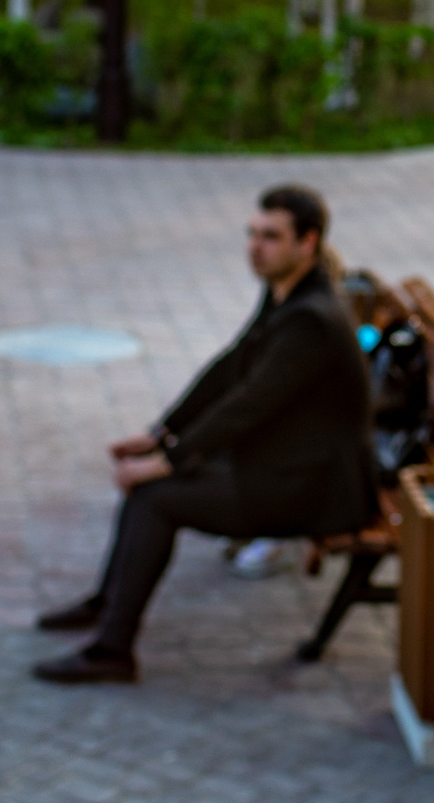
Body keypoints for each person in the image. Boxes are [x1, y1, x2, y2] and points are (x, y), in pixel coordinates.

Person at [31, 184, 377, 685]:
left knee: (155, 497)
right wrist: (162, 432)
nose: (255, 248)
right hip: (284, 464)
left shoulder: (311, 320)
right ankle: (108, 606)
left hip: (313, 489)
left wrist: (167, 462)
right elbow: (230, 368)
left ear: (308, 243)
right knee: (150, 488)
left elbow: (248, 405)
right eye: (252, 234)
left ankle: (112, 649)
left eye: (271, 237)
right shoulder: (289, 292)